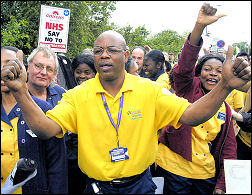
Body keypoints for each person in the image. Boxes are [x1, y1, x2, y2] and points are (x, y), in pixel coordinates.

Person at [1, 8, 250, 194]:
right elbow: (45, 130)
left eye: (112, 50)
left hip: (139, 186)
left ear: (127, 54)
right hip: (97, 187)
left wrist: (225, 85)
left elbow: (193, 115)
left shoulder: (150, 90)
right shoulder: (77, 95)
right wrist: (21, 92)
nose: (104, 55)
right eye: (98, 51)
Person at [155, 3, 244, 194]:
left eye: (219, 71)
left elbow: (229, 148)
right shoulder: (187, 88)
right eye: (207, 69)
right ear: (199, 72)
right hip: (173, 169)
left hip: (205, 174)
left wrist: (222, 184)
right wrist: (199, 26)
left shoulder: (226, 108)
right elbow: (185, 64)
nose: (213, 74)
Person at [1, 46, 67, 194]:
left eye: (9, 64)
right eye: (38, 66)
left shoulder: (47, 108)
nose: (4, 71)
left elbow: (57, 167)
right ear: (28, 68)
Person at [26, 46, 68, 193]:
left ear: (55, 74)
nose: (43, 72)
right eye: (38, 66)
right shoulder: (15, 96)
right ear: (28, 67)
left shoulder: (63, 96)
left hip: (58, 169)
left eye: (49, 69)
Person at [65, 53, 96, 194]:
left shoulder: (101, 97)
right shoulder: (69, 95)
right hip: (73, 159)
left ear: (95, 74)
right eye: (78, 72)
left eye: (87, 72)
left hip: (94, 158)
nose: (82, 76)